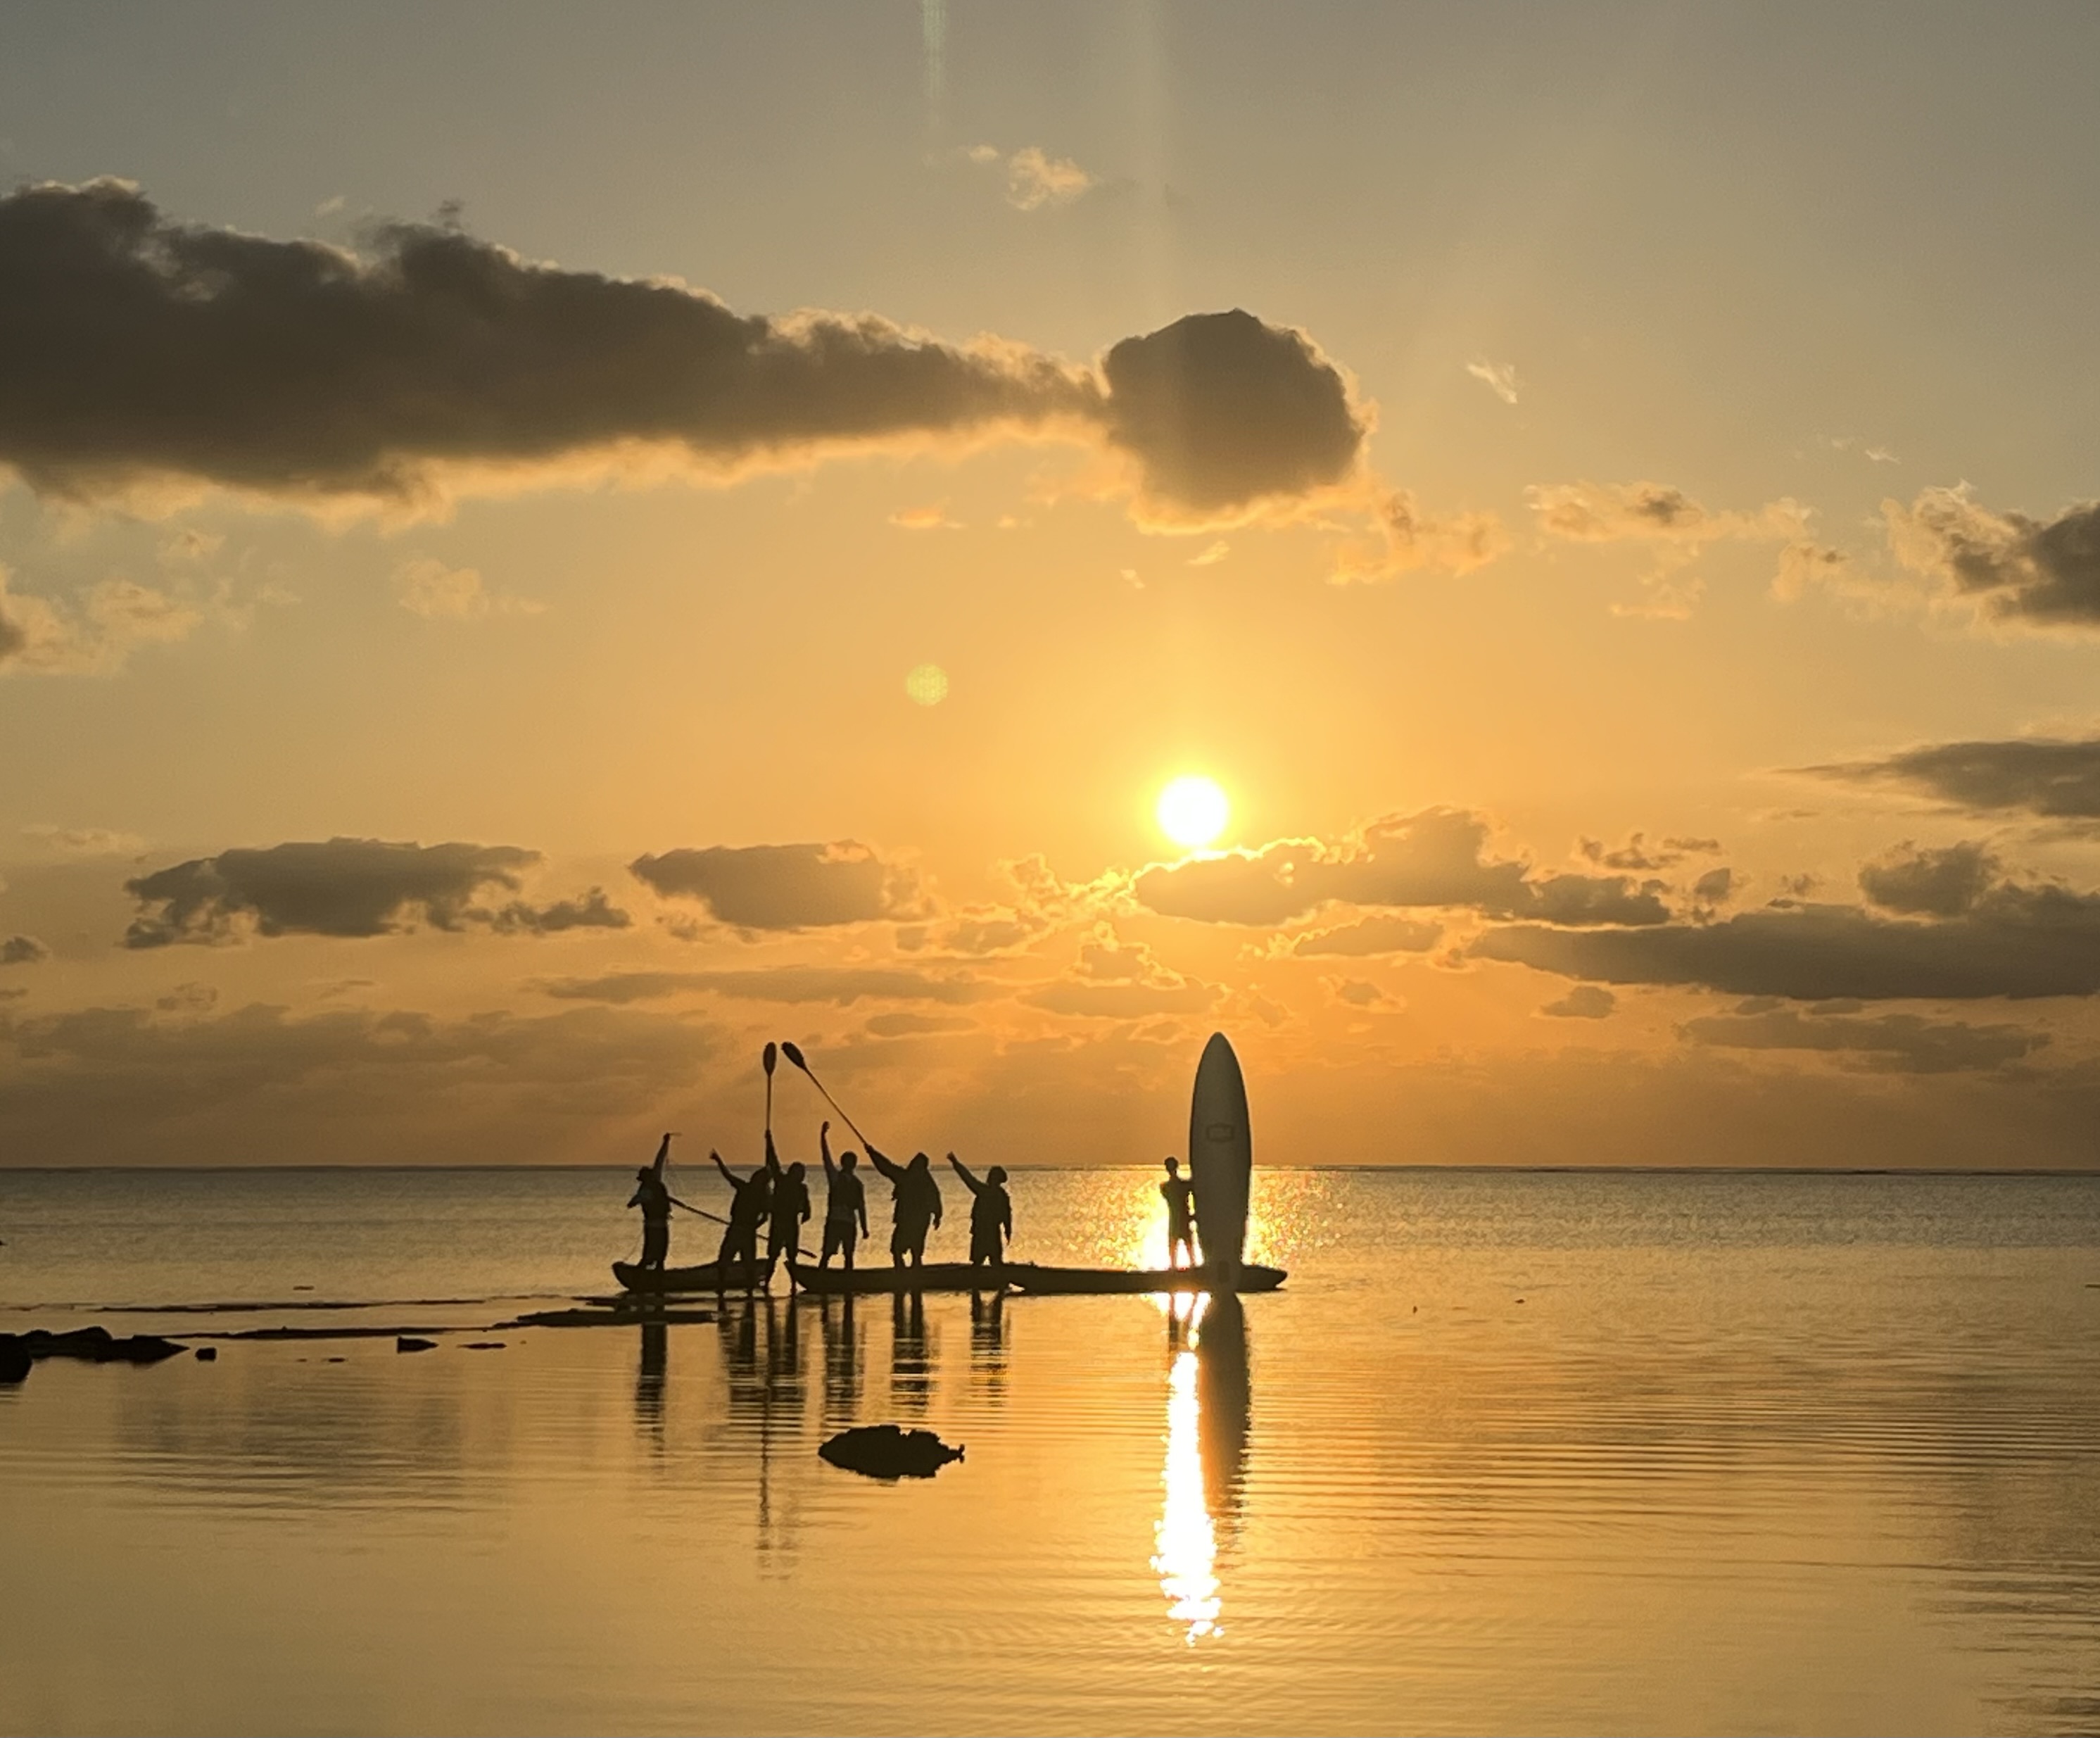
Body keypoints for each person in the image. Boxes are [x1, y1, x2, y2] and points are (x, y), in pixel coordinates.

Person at [868, 1145, 943, 1268]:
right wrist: (873, 1154)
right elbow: (887, 1167)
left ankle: (907, 1274)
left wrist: (937, 1216)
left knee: (909, 1250)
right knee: (903, 1249)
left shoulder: (908, 1178)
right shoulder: (914, 1179)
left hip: (914, 1220)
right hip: (912, 1220)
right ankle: (904, 1272)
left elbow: (888, 1168)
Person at [711, 1149, 773, 1287]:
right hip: (737, 1229)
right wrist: (718, 1160)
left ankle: (748, 1289)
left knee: (747, 1263)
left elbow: (765, 1218)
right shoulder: (745, 1188)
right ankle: (722, 1286)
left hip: (745, 1232)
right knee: (726, 1260)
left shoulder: (761, 1197)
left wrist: (752, 1227)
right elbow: (728, 1176)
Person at [762, 1131, 812, 1287]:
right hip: (780, 1223)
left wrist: (805, 1214)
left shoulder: (801, 1188)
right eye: (800, 1173)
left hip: (790, 1224)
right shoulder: (782, 1181)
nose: (802, 1176)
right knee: (774, 1255)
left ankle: (792, 1284)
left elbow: (807, 1209)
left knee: (791, 1256)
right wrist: (769, 1141)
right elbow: (773, 1161)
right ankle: (768, 1282)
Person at [818, 1123, 869, 1271]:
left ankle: (848, 1280)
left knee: (848, 1254)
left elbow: (861, 1207)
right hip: (835, 1221)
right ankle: (823, 1275)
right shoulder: (835, 1178)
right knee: (828, 1253)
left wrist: (865, 1228)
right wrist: (822, 1136)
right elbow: (826, 1157)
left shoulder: (858, 1184)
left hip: (848, 1223)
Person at [947, 1154, 1013, 1268]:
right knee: (991, 1261)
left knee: (985, 1262)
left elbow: (1007, 1215)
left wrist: (1008, 1231)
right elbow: (1007, 1216)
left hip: (986, 1232)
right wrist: (1008, 1231)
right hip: (985, 1231)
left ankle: (984, 1281)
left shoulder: (988, 1193)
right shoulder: (1000, 1195)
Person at [626, 1164, 674, 1271]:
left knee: (652, 1245)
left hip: (653, 1223)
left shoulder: (647, 1188)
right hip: (662, 1223)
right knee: (661, 1245)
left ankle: (646, 1268)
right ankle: (658, 1268)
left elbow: (635, 1201)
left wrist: (632, 1203)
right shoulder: (659, 1187)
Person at [1162, 1156, 1197, 1268]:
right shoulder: (1177, 1186)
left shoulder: (1166, 1187)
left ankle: (1174, 1269)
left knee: (1181, 1247)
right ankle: (1190, 1267)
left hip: (1178, 1220)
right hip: (1182, 1219)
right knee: (1185, 1247)